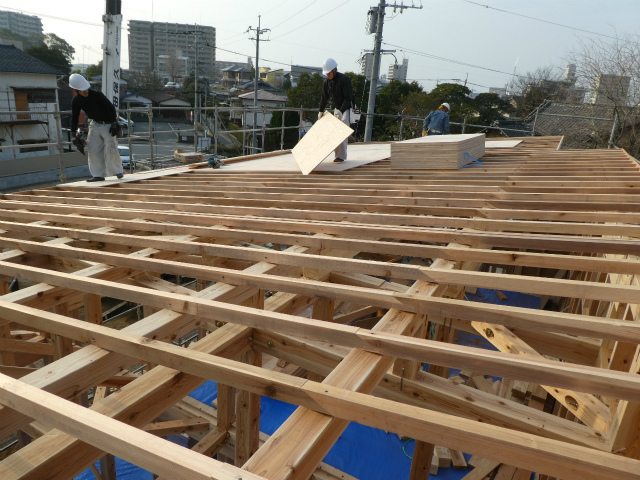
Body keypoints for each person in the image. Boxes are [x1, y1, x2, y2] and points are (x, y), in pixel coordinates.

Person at [69, 73, 123, 182]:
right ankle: (98, 174)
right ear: (76, 90)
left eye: (86, 89)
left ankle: (117, 171)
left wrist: (113, 123)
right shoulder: (76, 101)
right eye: (83, 90)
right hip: (94, 124)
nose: (86, 91)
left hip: (107, 123)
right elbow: (74, 117)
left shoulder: (97, 95)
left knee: (111, 148)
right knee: (93, 149)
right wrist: (73, 133)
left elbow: (111, 108)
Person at [318, 58, 354, 163]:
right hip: (337, 109)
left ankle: (340, 157)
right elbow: (324, 98)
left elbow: (348, 98)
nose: (328, 76)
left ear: (335, 70)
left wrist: (341, 111)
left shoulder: (345, 80)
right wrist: (320, 111)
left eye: (329, 73)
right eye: (327, 74)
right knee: (335, 132)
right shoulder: (327, 82)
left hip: (346, 109)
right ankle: (337, 155)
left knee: (341, 132)